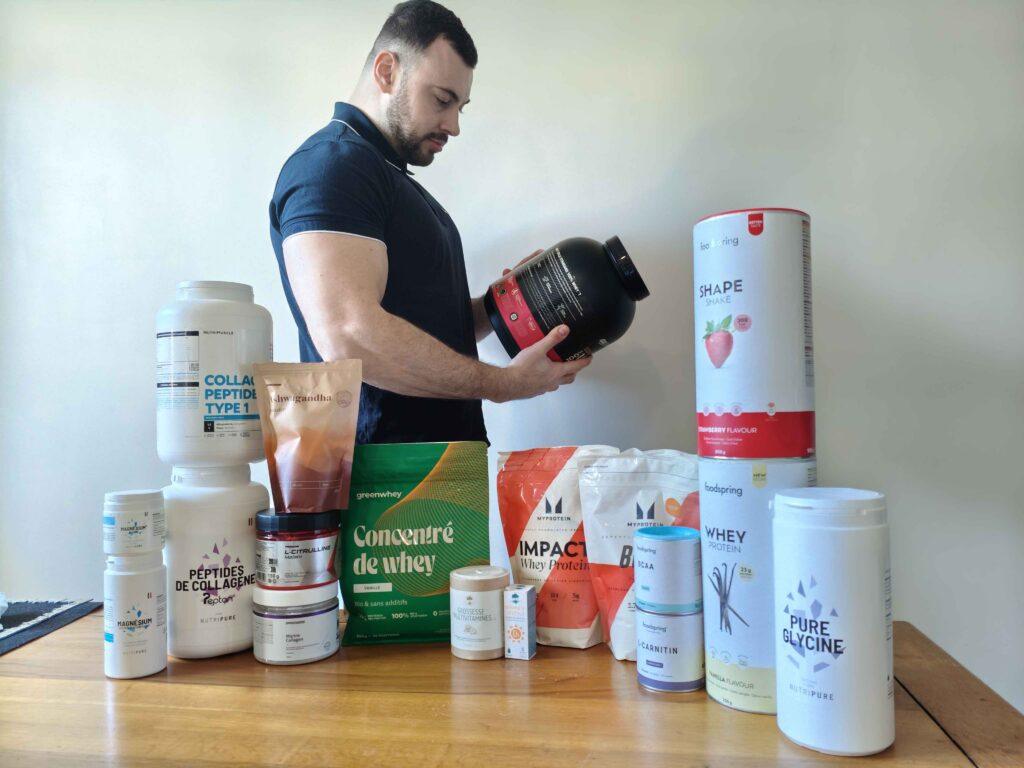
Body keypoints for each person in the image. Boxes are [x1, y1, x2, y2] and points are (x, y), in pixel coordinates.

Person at [269, 0, 589, 445]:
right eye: (442, 100)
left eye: (461, 107)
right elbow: (349, 336)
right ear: (387, 71)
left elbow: (423, 328)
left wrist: (502, 302)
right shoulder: (332, 166)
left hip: (438, 464)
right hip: (383, 473)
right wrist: (505, 384)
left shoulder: (387, 177)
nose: (454, 126)